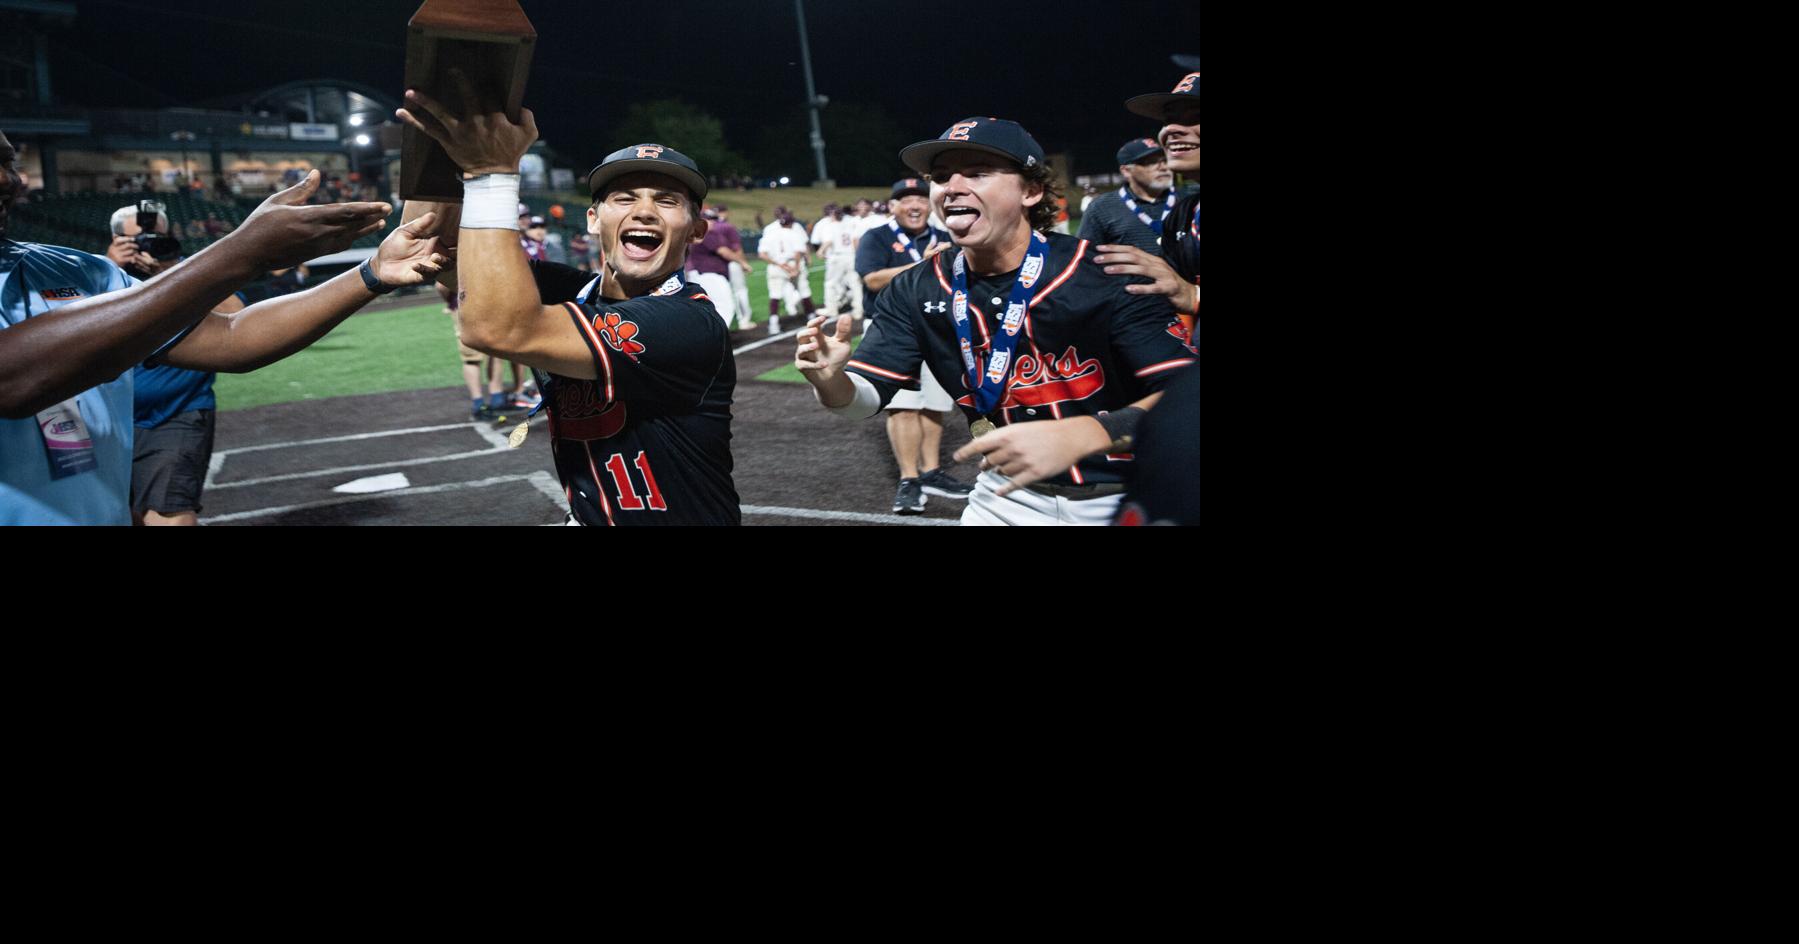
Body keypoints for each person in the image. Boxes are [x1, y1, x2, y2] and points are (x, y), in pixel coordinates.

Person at [1, 129, 445, 525]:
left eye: (8, 161)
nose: (7, 179)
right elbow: (13, 379)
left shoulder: (73, 270)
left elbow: (231, 337)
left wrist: (372, 272)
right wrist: (240, 253)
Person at [794, 118, 1197, 526]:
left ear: (1031, 190)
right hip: (1004, 497)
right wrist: (830, 380)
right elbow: (862, 401)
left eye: (977, 173)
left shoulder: (1105, 272)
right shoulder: (915, 287)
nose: (952, 187)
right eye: (940, 176)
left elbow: (1187, 398)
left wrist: (1087, 433)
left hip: (1122, 491)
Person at [397, 80, 741, 526]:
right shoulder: (575, 294)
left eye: (667, 201)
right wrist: (440, 144)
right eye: (624, 198)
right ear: (593, 221)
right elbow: (430, 249)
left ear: (696, 230)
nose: (644, 211)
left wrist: (491, 173)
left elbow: (494, 328)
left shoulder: (689, 323)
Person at [106, 201, 247, 526]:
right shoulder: (100, 274)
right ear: (116, 240)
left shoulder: (188, 271)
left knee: (167, 515)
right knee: (124, 515)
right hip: (112, 421)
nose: (149, 245)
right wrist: (110, 266)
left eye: (156, 236)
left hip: (175, 413)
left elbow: (236, 315)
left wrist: (169, 271)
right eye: (138, 239)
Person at [853, 177, 969, 513]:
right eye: (905, 200)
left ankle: (931, 471)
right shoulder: (877, 237)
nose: (914, 206)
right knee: (903, 404)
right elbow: (872, 279)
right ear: (892, 207)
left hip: (938, 326)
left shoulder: (947, 238)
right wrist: (924, 265)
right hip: (892, 327)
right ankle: (909, 478)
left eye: (920, 199)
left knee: (935, 403)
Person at [1097, 72, 1200, 331]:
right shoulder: (1185, 213)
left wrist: (1194, 296)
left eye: (1195, 117)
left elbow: (1189, 293)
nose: (1171, 130)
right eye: (1169, 120)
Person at [1077, 138, 1192, 256]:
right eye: (1151, 162)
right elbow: (1085, 258)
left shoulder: (1189, 201)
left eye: (1165, 160)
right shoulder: (1101, 207)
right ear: (1126, 171)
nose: (1163, 167)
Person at [686, 204, 751, 330]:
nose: (713, 223)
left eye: (713, 220)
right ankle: (718, 340)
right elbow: (723, 251)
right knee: (725, 306)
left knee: (708, 308)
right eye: (710, 220)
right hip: (709, 275)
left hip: (699, 274)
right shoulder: (706, 233)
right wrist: (743, 262)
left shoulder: (696, 232)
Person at [758, 205, 816, 331]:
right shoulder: (794, 232)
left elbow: (762, 254)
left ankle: (773, 324)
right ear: (791, 223)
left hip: (776, 266)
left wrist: (779, 264)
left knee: (775, 295)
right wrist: (794, 268)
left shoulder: (770, 232)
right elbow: (798, 252)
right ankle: (812, 318)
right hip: (793, 264)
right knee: (804, 291)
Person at [809, 202, 863, 322]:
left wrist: (821, 251)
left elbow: (827, 241)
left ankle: (832, 309)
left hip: (837, 256)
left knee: (830, 284)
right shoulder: (851, 221)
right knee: (855, 284)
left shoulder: (829, 224)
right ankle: (858, 310)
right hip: (852, 255)